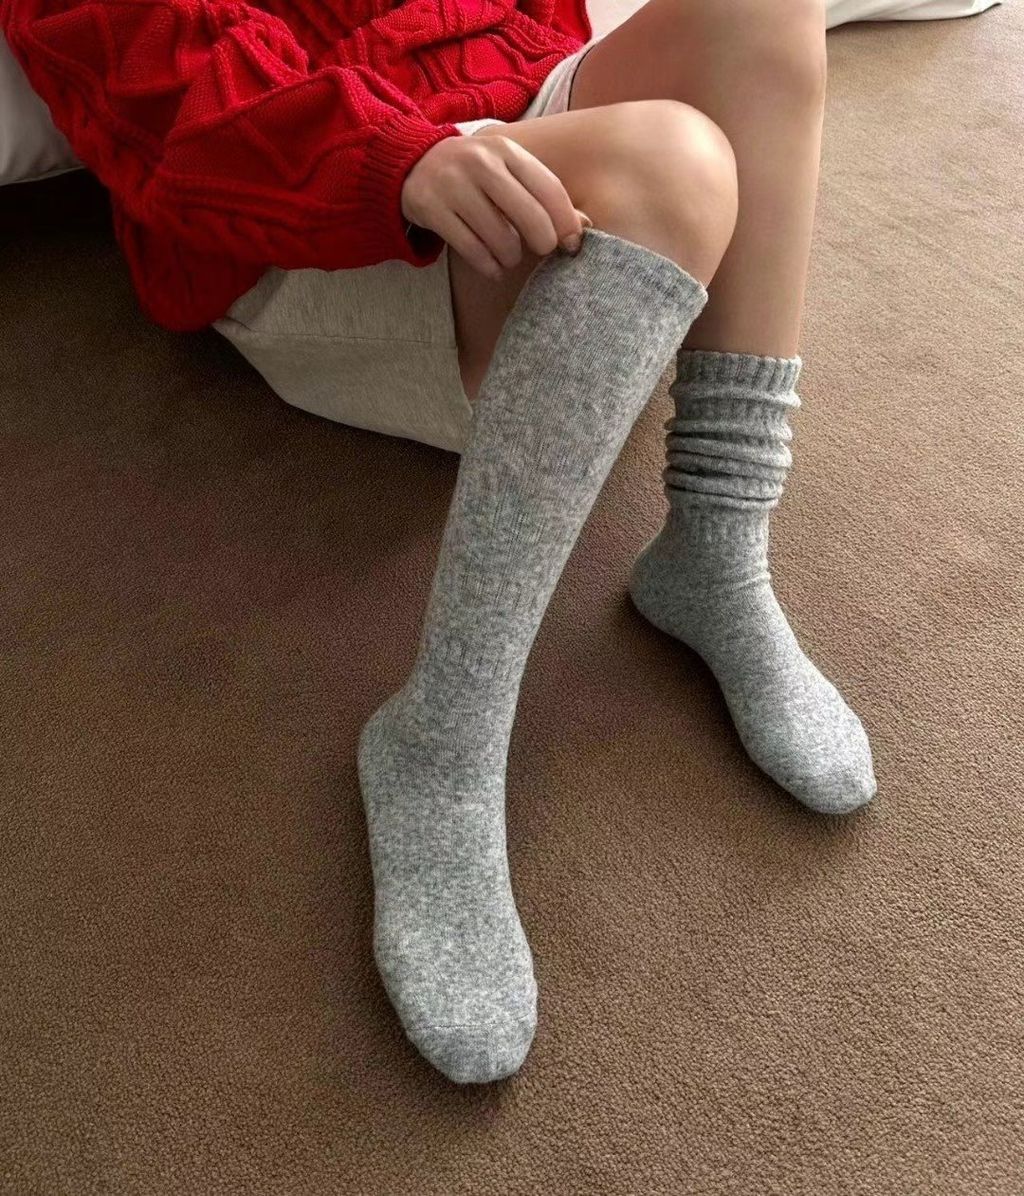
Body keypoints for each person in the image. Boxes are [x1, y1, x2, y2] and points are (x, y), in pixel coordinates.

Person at [3, 0, 876, 1085]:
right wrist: (393, 157)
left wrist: (514, 107)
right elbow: (150, 71)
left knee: (762, 12)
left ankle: (716, 544)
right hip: (303, 198)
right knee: (669, 163)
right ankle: (442, 737)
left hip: (496, 128)